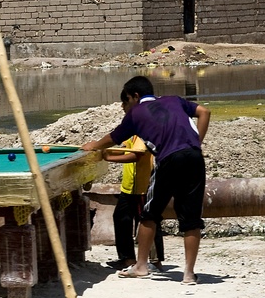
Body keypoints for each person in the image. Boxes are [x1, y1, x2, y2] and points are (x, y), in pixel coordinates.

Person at [81, 76, 210, 285]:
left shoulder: (136, 114)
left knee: (149, 213)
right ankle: (189, 274)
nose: (125, 107)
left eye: (126, 102)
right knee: (191, 218)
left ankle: (141, 266)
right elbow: (204, 112)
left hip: (168, 158)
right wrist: (197, 142)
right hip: (194, 157)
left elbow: (114, 137)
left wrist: (94, 145)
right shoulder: (174, 100)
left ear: (135, 96)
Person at [103, 133, 165, 271]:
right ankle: (127, 259)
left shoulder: (143, 134)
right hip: (128, 187)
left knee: (148, 221)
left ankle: (155, 261)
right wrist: (101, 150)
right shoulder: (132, 134)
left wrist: (108, 157)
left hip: (141, 188)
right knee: (121, 218)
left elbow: (136, 155)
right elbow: (124, 148)